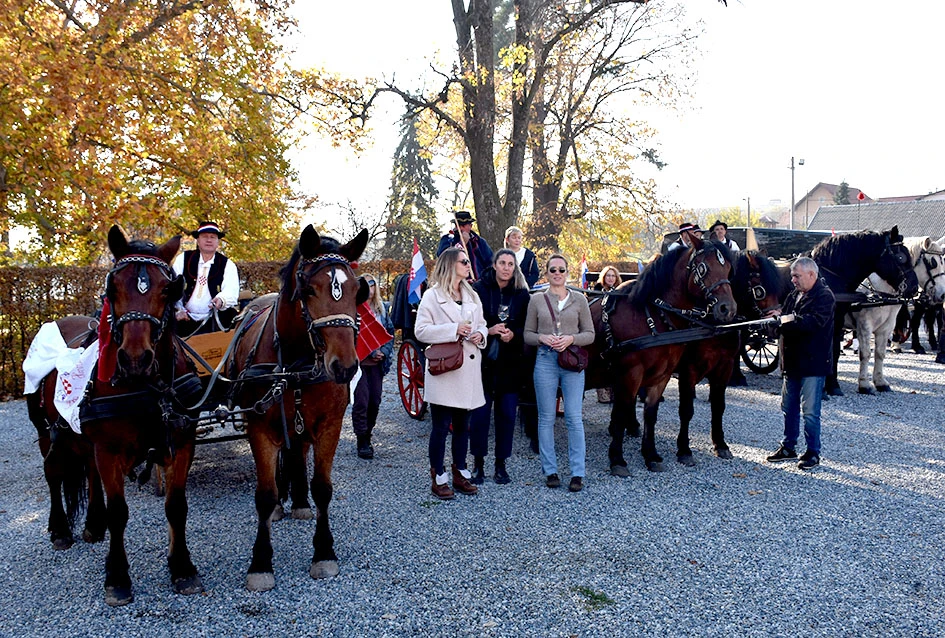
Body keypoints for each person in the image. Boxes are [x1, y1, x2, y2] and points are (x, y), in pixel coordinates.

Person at [414, 247, 488, 499]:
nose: (468, 265)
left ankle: (460, 472)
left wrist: (481, 335)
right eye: (463, 261)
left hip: (467, 368)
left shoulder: (472, 294)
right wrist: (453, 329)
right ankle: (438, 476)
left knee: (462, 426)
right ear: (450, 265)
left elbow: (483, 325)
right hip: (445, 369)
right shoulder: (432, 296)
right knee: (440, 426)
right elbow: (421, 331)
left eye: (468, 261)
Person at [524, 254, 595, 492]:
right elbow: (527, 334)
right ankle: (550, 470)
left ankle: (577, 473)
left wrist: (571, 338)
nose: (557, 273)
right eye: (553, 269)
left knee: (574, 418)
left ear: (567, 273)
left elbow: (590, 334)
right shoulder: (536, 300)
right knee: (545, 418)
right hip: (545, 360)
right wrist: (542, 338)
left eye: (561, 270)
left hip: (572, 361)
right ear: (547, 273)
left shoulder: (580, 301)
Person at [765, 257, 835, 470]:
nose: (793, 280)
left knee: (811, 411)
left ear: (812, 275)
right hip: (792, 362)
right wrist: (774, 321)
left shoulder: (825, 297)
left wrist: (785, 320)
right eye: (792, 276)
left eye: (797, 276)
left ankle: (813, 452)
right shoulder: (794, 295)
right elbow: (785, 319)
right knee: (788, 407)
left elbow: (812, 323)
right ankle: (788, 447)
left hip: (813, 364)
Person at [470, 249, 531, 484]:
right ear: (494, 265)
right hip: (483, 363)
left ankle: (501, 464)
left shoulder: (522, 295)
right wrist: (489, 331)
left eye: (510, 264)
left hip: (510, 364)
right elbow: (471, 322)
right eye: (502, 263)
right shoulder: (478, 290)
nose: (506, 267)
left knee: (506, 415)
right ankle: (478, 464)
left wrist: (512, 335)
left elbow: (527, 328)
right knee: (480, 416)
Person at [351, 274, 395, 460]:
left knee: (375, 401)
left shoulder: (382, 310)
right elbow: (352, 337)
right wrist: (370, 352)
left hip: (378, 364)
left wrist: (383, 351)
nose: (369, 288)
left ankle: (368, 434)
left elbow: (389, 333)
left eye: (372, 284)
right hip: (360, 362)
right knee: (361, 401)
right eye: (365, 284)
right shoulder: (354, 309)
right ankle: (362, 440)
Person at [173, 221, 239, 335]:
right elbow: (173, 287)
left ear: (218, 241)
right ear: (198, 240)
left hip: (214, 319)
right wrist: (178, 310)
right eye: (204, 237)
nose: (209, 240)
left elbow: (231, 291)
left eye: (213, 237)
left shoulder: (227, 264)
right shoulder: (183, 259)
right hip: (184, 319)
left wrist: (221, 300)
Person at [436, 210, 493, 280]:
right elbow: (444, 258)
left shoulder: (479, 241)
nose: (461, 228)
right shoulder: (447, 240)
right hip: (454, 282)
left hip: (478, 284)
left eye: (467, 225)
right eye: (459, 225)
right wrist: (461, 244)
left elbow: (490, 262)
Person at [593, 265, 621, 403]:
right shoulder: (596, 293)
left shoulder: (621, 295)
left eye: (613, 276)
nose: (610, 278)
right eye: (608, 275)